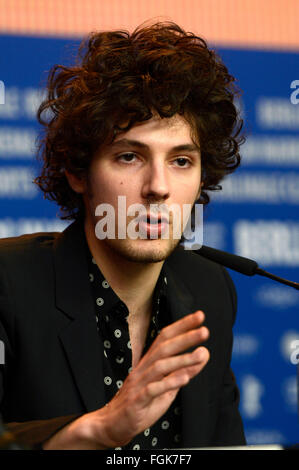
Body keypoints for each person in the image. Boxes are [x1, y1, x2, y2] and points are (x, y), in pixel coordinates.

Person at [0, 21, 245, 450]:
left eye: (182, 161)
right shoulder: (7, 282)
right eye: (130, 156)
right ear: (78, 172)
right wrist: (96, 430)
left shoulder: (211, 290)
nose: (158, 186)